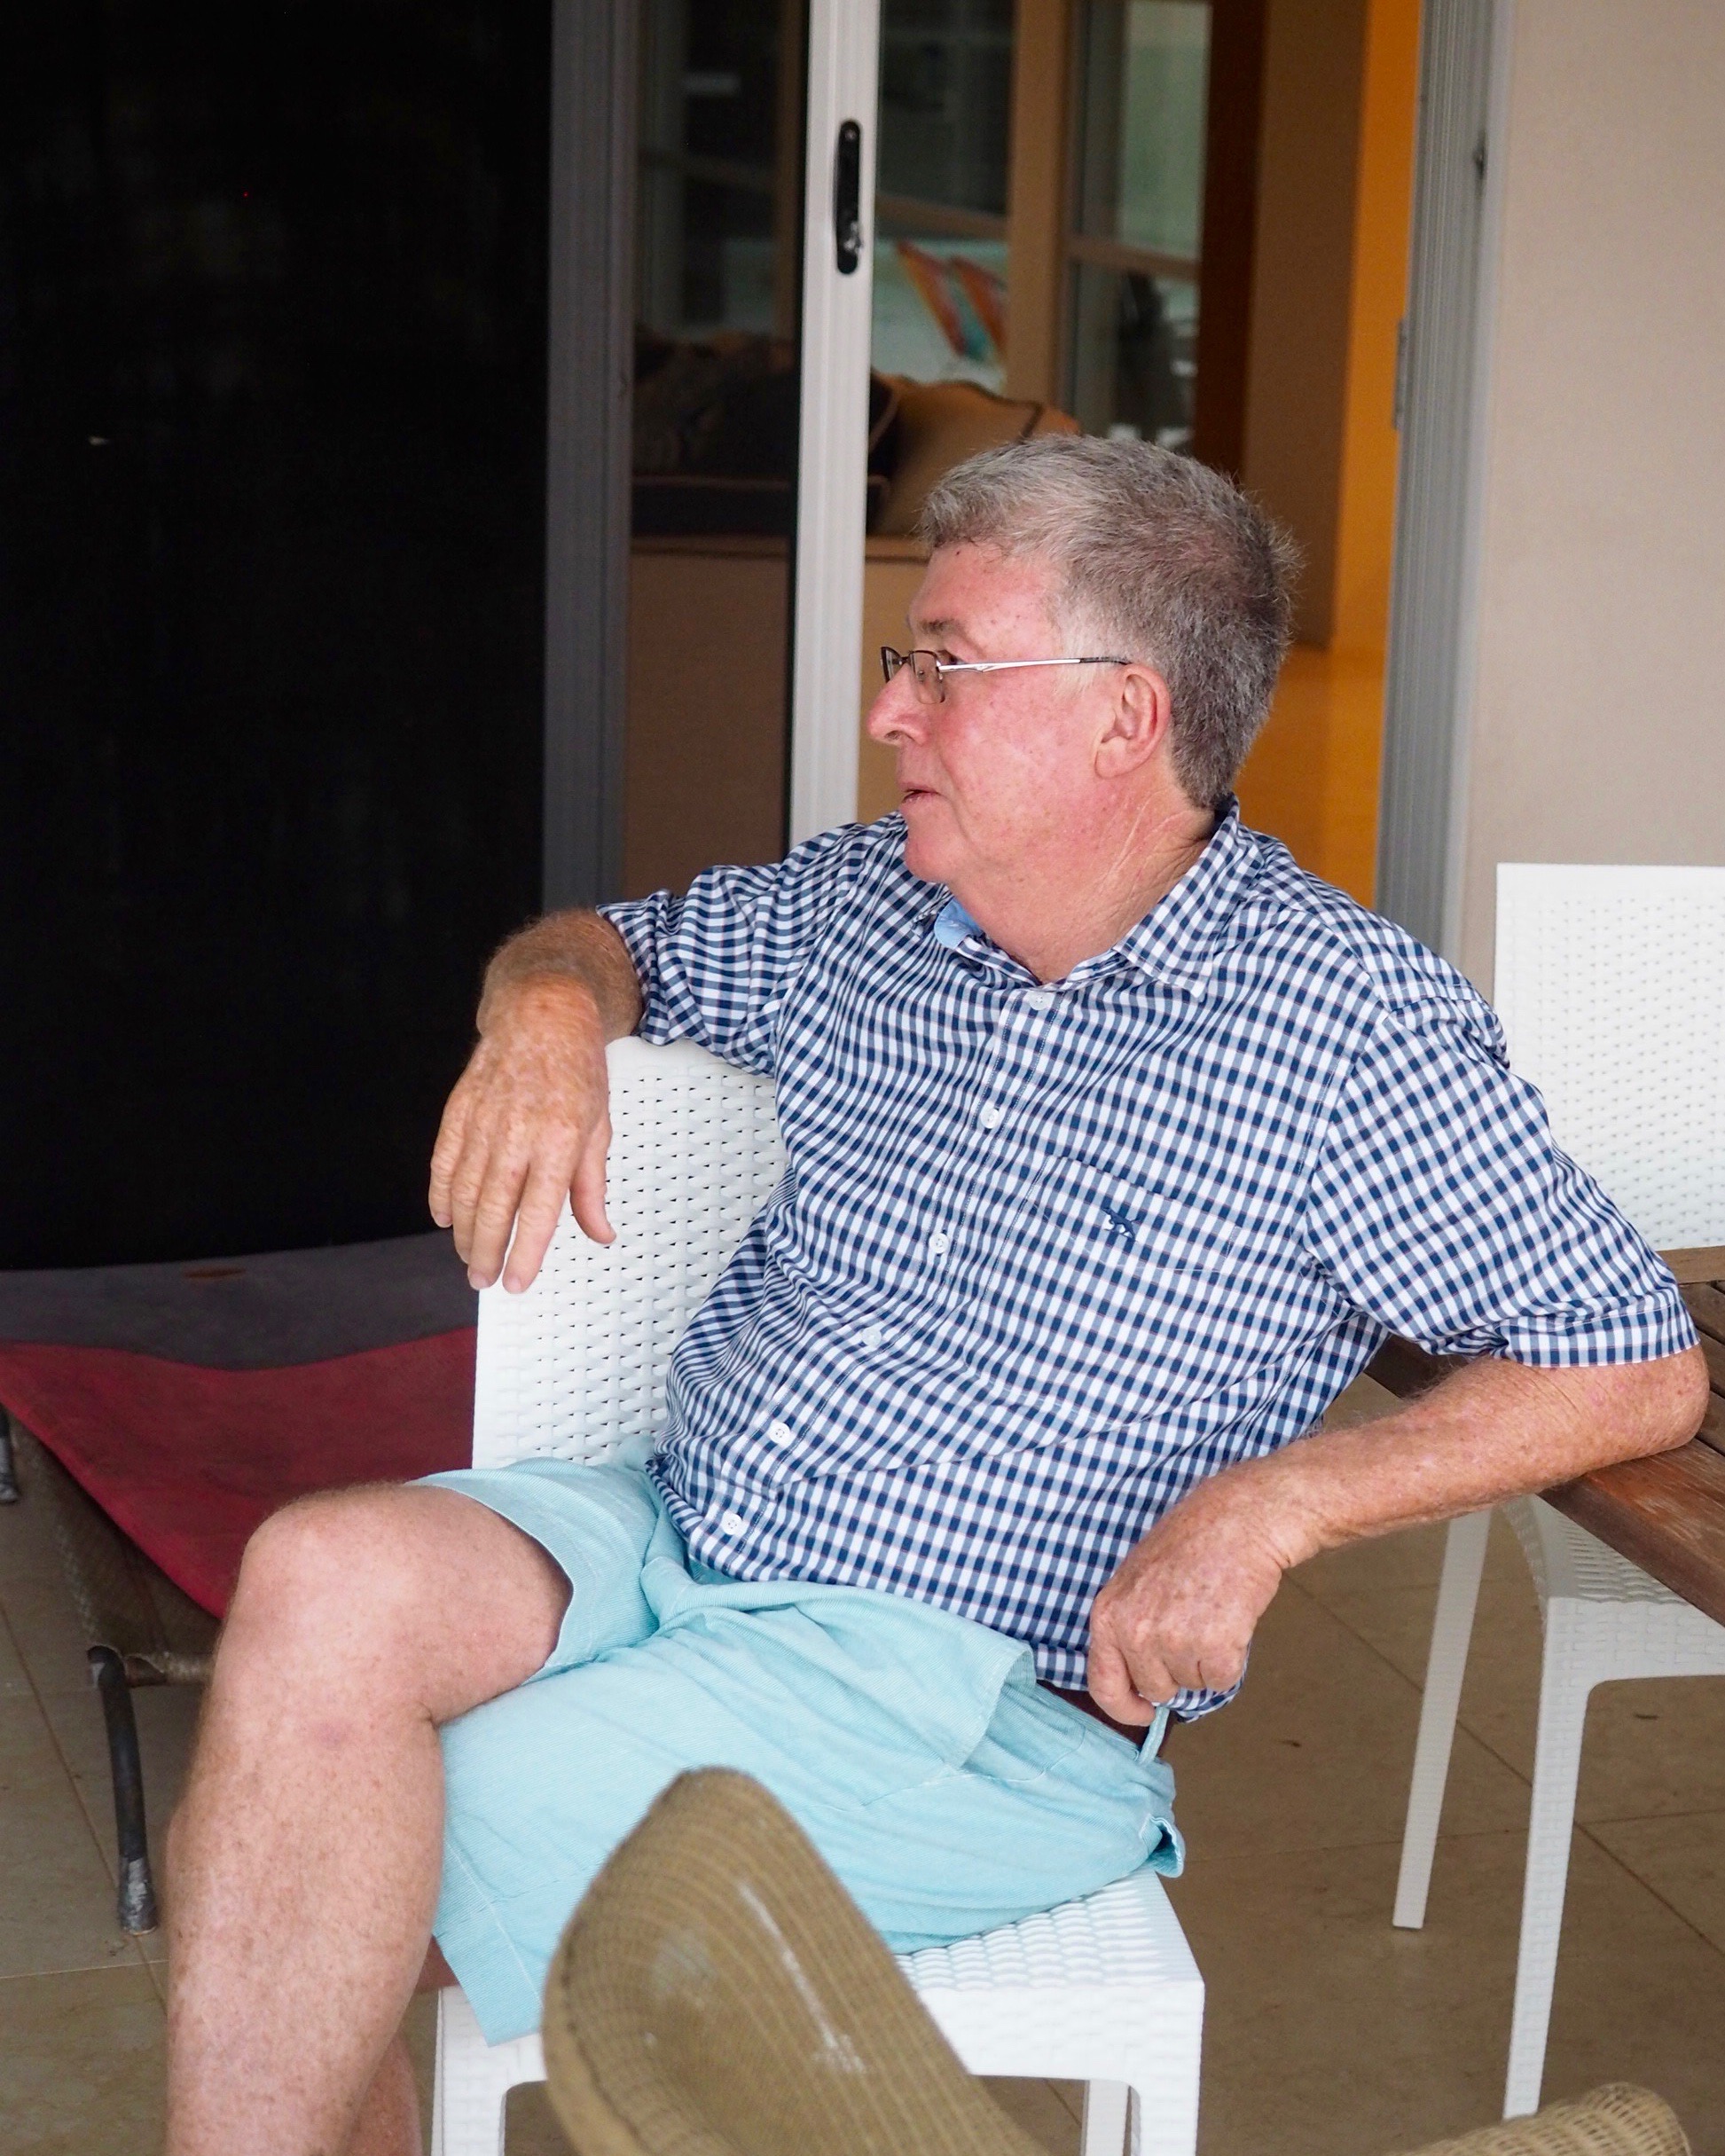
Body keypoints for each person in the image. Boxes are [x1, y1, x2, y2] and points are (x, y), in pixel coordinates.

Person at [161, 437, 1705, 2156]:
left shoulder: (1345, 1027)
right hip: (680, 1533)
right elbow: (605, 944)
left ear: (1124, 718)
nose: (891, 711)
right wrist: (543, 1013)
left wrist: (1270, 1506)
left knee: (331, 1842)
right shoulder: (865, 903)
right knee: (318, 1584)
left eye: (943, 665)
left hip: (965, 1693)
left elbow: (1629, 1361)